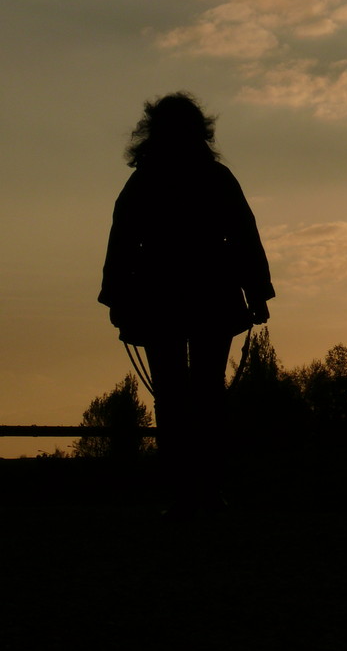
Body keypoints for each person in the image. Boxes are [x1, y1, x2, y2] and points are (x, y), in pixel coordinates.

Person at [99, 92, 274, 515]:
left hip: (159, 298)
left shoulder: (143, 182)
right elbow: (244, 235)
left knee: (173, 395)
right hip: (212, 295)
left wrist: (118, 298)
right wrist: (257, 292)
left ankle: (183, 492)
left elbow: (122, 243)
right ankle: (208, 490)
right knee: (208, 393)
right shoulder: (216, 178)